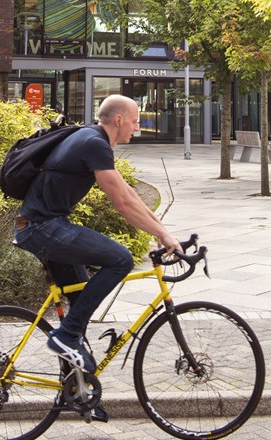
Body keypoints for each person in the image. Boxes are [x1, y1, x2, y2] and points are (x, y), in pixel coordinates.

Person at [14, 94, 182, 374]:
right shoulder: (94, 144)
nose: (137, 128)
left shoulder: (91, 138)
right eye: (135, 121)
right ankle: (65, 337)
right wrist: (163, 236)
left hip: (35, 224)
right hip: (40, 227)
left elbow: (127, 192)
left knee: (81, 302)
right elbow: (123, 203)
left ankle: (75, 391)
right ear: (118, 119)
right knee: (120, 259)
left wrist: (162, 231)